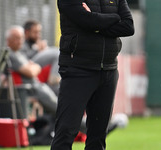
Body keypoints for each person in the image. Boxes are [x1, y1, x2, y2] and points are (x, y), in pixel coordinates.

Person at [51, 0, 134, 150]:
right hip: (77, 69)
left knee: (98, 136)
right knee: (65, 132)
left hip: (109, 70)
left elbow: (128, 26)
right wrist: (114, 18)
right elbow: (88, 21)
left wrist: (97, 24)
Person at [6, 25, 58, 115]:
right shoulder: (10, 54)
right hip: (32, 90)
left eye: (21, 38)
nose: (20, 41)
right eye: (16, 38)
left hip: (37, 87)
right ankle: (84, 125)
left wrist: (33, 67)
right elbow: (31, 72)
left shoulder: (20, 54)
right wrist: (35, 67)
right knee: (61, 109)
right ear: (8, 40)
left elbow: (32, 68)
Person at [21, 20, 60, 85]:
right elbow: (22, 59)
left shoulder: (35, 43)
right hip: (30, 68)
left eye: (39, 32)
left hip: (39, 69)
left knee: (56, 51)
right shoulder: (21, 44)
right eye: (35, 32)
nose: (38, 35)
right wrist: (36, 50)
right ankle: (55, 80)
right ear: (27, 32)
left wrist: (44, 50)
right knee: (57, 54)